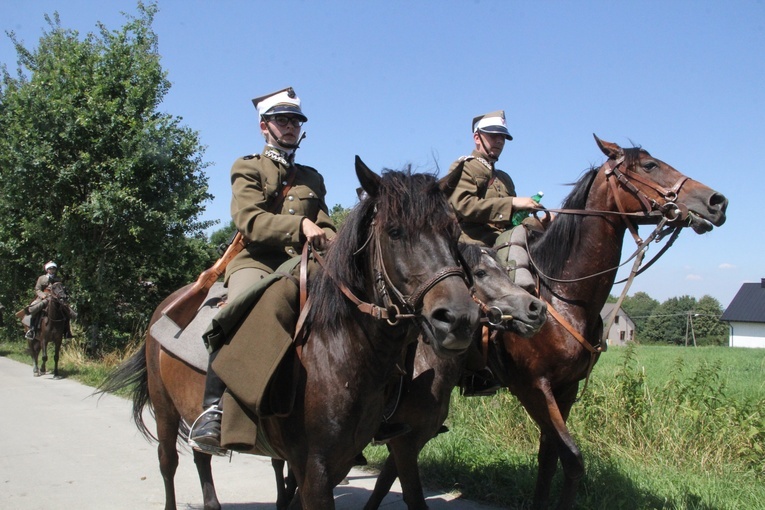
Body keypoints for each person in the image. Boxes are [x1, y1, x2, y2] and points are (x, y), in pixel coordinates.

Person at [189, 87, 337, 452]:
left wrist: (336, 240)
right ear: (264, 126)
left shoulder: (311, 178)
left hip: (303, 262)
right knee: (239, 310)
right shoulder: (248, 167)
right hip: (257, 260)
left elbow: (325, 221)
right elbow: (249, 220)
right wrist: (298, 227)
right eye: (281, 120)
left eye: (295, 120)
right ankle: (214, 410)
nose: (290, 126)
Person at [447, 110, 541, 396]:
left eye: (502, 138)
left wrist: (535, 220)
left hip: (500, 242)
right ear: (477, 138)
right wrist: (512, 202)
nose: (498, 142)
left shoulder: (503, 178)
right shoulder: (465, 168)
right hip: (471, 244)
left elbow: (511, 220)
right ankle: (473, 368)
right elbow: (462, 206)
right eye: (493, 136)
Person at [24, 261, 63, 340]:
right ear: (47, 270)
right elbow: (37, 289)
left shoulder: (58, 278)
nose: (52, 270)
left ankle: (66, 331)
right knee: (34, 308)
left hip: (56, 299)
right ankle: (31, 330)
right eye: (50, 269)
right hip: (44, 297)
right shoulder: (41, 278)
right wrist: (43, 295)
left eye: (54, 269)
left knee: (66, 310)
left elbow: (60, 289)